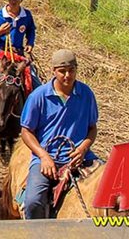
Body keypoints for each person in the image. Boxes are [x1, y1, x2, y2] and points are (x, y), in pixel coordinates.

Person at [20, 49, 99, 220]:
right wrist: (43, 156)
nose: (67, 75)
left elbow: (93, 128)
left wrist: (83, 148)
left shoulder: (86, 94)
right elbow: (26, 131)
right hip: (49, 157)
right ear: (53, 71)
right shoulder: (38, 96)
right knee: (33, 201)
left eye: (71, 70)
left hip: (81, 156)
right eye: (62, 71)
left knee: (110, 185)